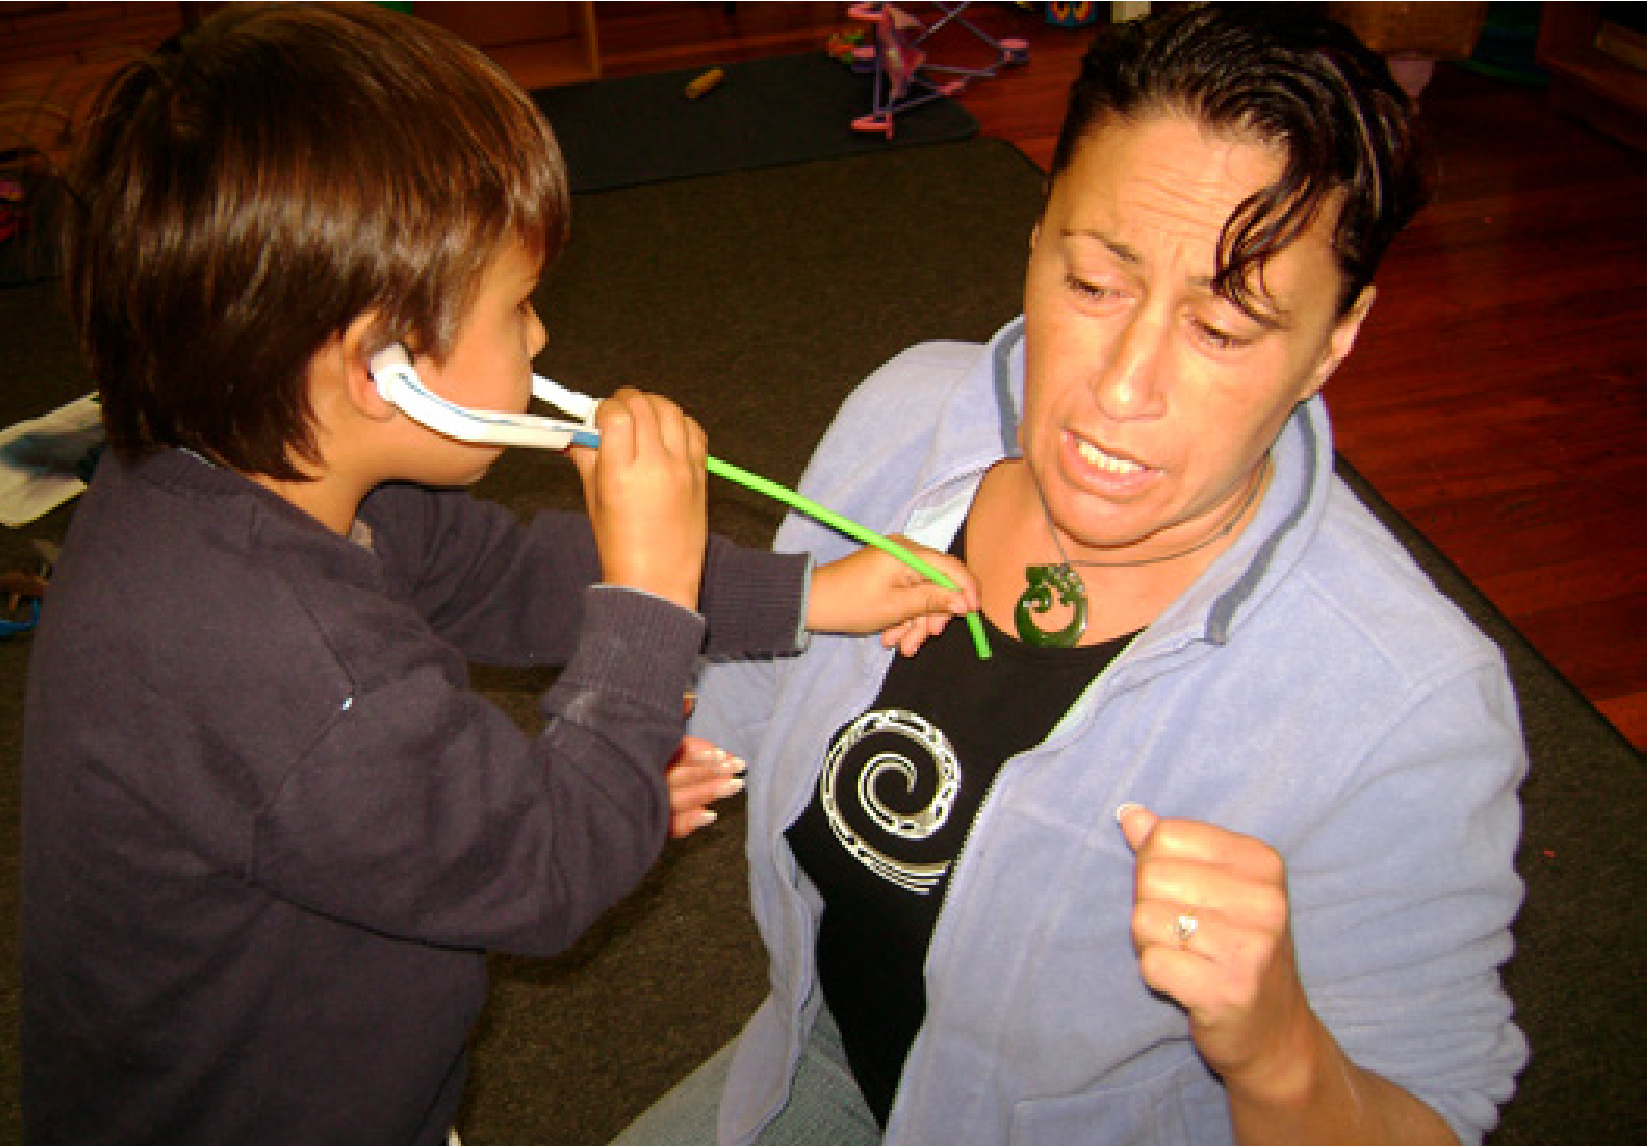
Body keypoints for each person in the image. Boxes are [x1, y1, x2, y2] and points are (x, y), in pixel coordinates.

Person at [17, 4, 975, 1144]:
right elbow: (547, 871)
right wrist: (640, 630)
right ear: (380, 368)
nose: (536, 342)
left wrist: (803, 598)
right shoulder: (295, 670)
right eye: (515, 308)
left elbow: (499, 573)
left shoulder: (222, 474)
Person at [612, 5, 1528, 1146]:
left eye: (1224, 330)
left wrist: (1278, 1053)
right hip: (815, 1061)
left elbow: (1430, 1114)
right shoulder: (910, 410)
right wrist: (629, 711)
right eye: (1092, 284)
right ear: (1036, 238)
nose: (1121, 388)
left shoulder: (1409, 702)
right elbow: (746, 696)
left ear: (1332, 343)